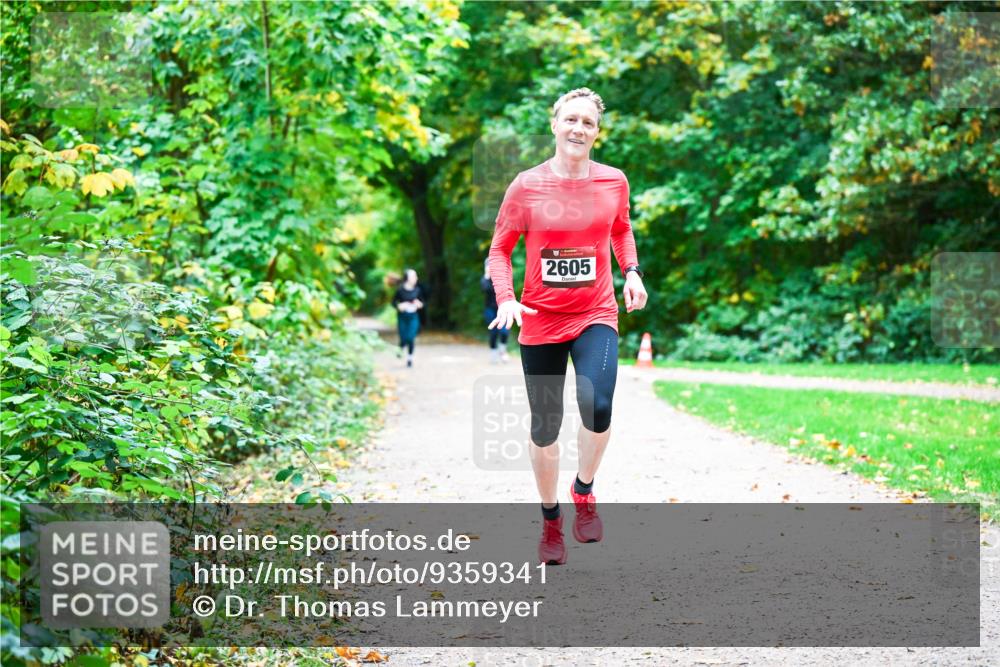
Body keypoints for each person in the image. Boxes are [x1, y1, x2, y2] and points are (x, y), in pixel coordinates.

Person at [487, 87, 647, 565]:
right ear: (555, 124)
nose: (579, 129)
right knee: (545, 425)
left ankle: (584, 490)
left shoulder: (613, 181)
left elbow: (620, 228)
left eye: (588, 123)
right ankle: (551, 521)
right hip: (539, 318)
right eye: (571, 120)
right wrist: (507, 298)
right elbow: (500, 249)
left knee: (597, 402)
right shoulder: (526, 185)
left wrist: (632, 272)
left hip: (595, 311)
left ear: (597, 132)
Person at [392, 268, 424, 368]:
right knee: (403, 337)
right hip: (402, 316)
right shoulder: (400, 290)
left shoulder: (418, 290)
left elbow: (422, 303)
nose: (416, 278)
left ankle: (410, 358)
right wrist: (399, 306)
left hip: (413, 316)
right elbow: (393, 302)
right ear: (407, 278)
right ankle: (400, 348)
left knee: (410, 337)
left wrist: (419, 304)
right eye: (413, 276)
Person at [481, 258, 511, 364]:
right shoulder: (485, 279)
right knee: (493, 333)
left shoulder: (501, 279)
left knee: (504, 331)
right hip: (490, 309)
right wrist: (487, 275)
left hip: (502, 308)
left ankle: (502, 351)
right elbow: (484, 289)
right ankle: (493, 353)